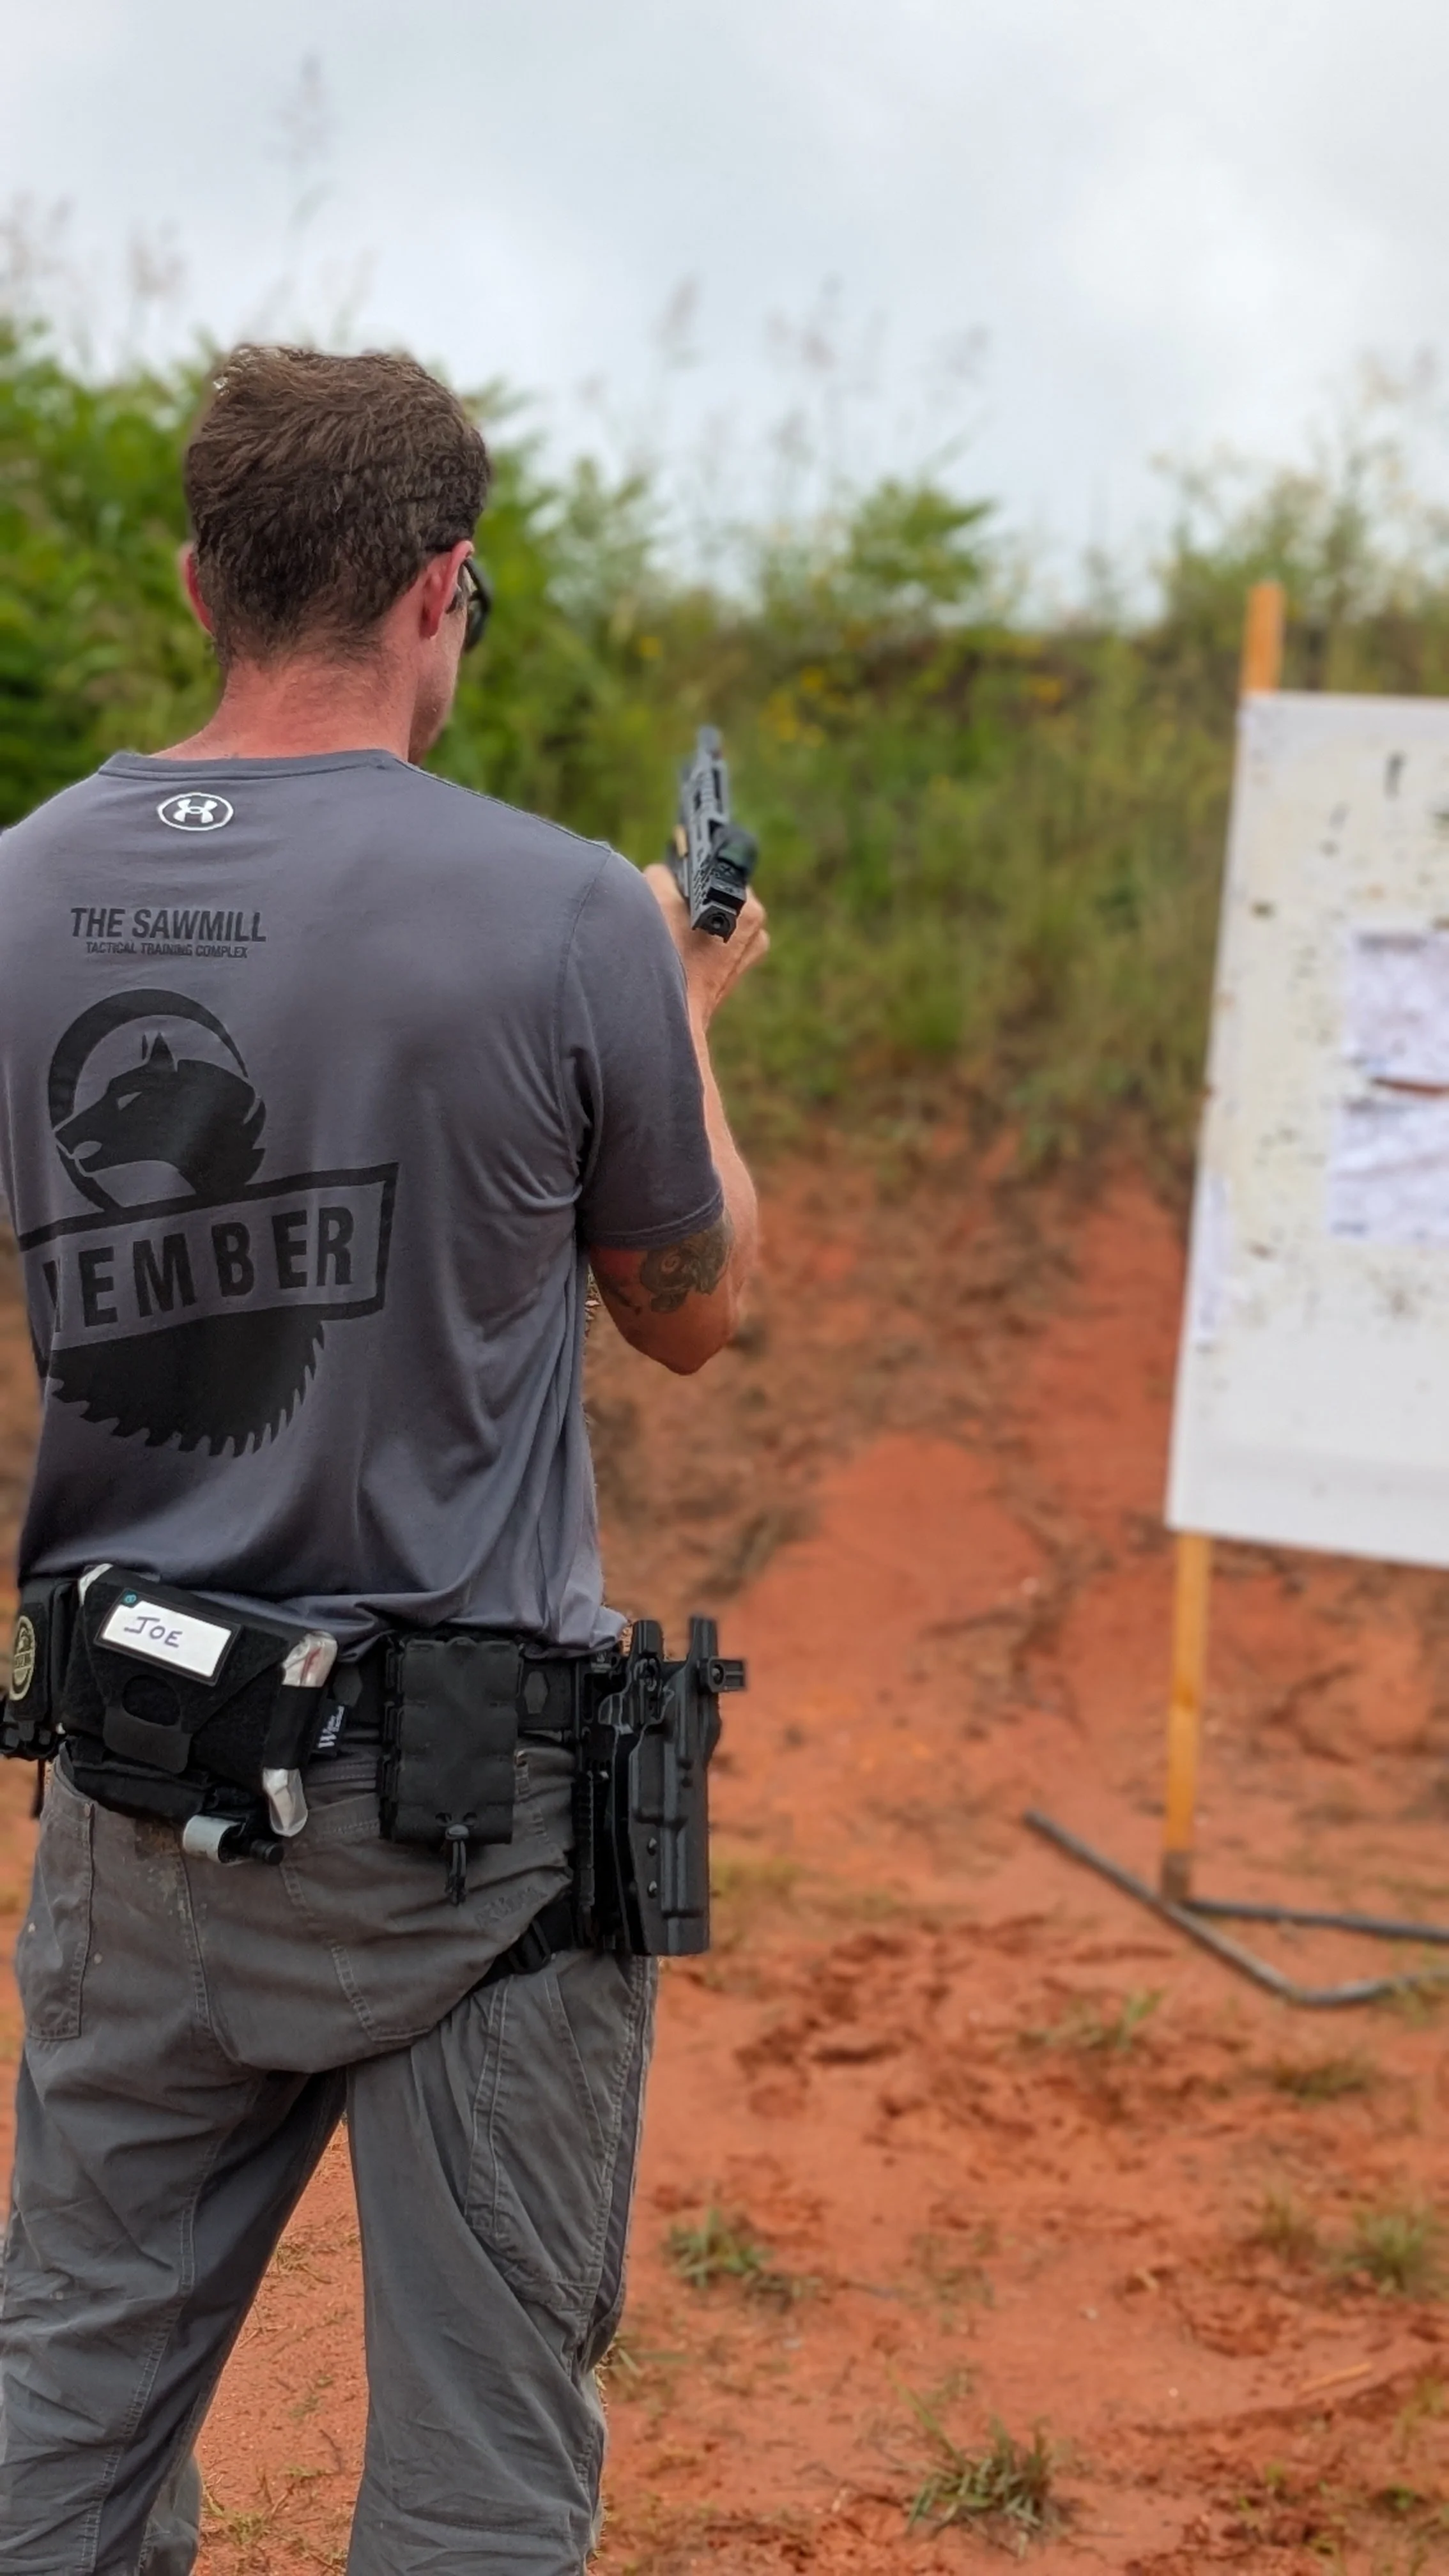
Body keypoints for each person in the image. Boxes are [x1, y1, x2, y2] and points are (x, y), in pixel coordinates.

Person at [0, 343, 766, 2575]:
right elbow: (695, 1308)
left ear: (196, 578)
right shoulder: (562, 915)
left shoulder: (23, 884)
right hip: (468, 1830)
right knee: (474, 2469)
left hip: (133, 1788)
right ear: (444, 584)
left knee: (61, 2401)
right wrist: (685, 1013)